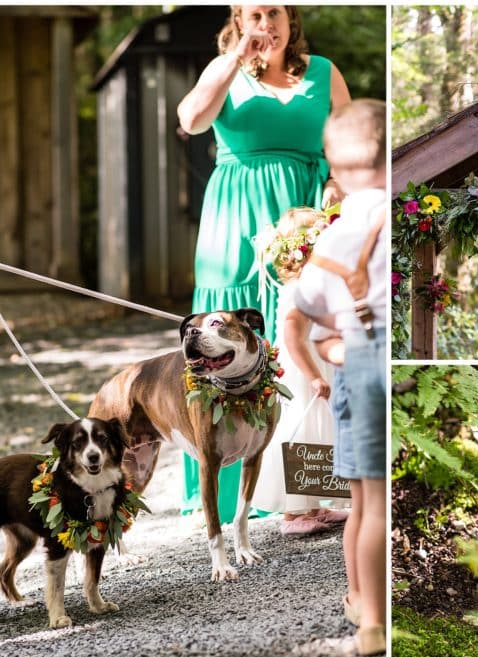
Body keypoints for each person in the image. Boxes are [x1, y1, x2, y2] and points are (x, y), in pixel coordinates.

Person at [176, 5, 350, 522]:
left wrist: (336, 189)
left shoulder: (321, 71)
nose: (266, 23)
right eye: (255, 13)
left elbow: (344, 142)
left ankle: (300, 491)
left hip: (303, 212)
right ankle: (226, 490)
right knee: (227, 340)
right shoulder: (222, 67)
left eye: (275, 12)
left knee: (300, 344)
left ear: (290, 18)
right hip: (235, 220)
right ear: (239, 17)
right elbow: (191, 119)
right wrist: (235, 58)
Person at [296, 99, 387, 656]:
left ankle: (370, 619)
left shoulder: (333, 234)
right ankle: (369, 608)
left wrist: (333, 337)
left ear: (333, 161)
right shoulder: (399, 212)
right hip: (389, 358)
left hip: (356, 358)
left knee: (365, 502)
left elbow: (304, 309)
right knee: (376, 502)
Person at [250, 208, 349, 534]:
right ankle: (293, 514)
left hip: (317, 362)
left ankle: (316, 503)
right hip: (301, 367)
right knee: (302, 426)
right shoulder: (299, 288)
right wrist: (314, 375)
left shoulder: (315, 283)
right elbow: (293, 338)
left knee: (321, 427)